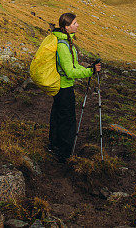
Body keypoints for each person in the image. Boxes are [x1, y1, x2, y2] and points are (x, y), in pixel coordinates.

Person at [47, 12, 102, 162]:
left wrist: (87, 69)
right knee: (67, 120)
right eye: (74, 23)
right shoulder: (63, 46)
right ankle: (64, 153)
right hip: (64, 88)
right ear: (66, 27)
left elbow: (74, 65)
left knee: (58, 116)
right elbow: (70, 71)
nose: (77, 25)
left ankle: (54, 145)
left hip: (60, 87)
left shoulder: (66, 41)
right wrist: (90, 71)